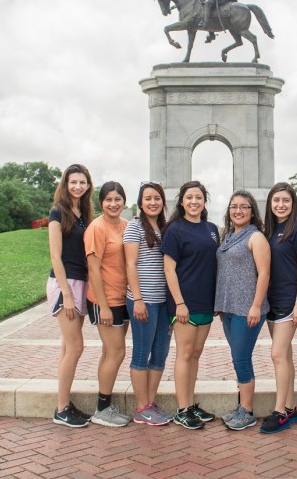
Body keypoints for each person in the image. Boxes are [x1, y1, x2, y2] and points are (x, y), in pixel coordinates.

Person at [161, 181, 220, 429]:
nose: (194, 201)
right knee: (184, 354)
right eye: (189, 197)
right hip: (184, 303)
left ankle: (191, 403)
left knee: (195, 354)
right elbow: (169, 268)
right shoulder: (175, 230)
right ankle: (182, 409)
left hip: (206, 302)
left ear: (204, 201)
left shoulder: (212, 229)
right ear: (182, 201)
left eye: (198, 197)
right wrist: (179, 303)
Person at [215, 190, 270, 431]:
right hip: (228, 307)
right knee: (237, 358)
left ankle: (247, 411)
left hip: (247, 308)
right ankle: (241, 407)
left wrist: (256, 306)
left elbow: (265, 273)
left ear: (252, 211)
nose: (238, 210)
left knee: (241, 358)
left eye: (244, 207)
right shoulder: (227, 236)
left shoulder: (255, 237)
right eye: (234, 206)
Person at [259, 182, 297, 434]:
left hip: (290, 300)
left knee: (277, 355)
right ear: (270, 203)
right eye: (276, 200)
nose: (281, 205)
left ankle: (279, 411)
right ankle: (290, 409)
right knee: (286, 356)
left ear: (293, 204)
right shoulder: (267, 230)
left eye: (286, 201)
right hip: (272, 300)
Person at [47, 164, 95, 428]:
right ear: (65, 184)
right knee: (76, 346)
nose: (77, 186)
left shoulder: (84, 214)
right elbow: (55, 255)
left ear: (88, 185)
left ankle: (64, 403)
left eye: (82, 182)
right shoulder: (58, 212)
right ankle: (61, 409)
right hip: (64, 284)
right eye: (73, 182)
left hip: (82, 282)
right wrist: (66, 294)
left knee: (68, 346)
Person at [84, 181, 132, 427]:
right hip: (105, 301)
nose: (113, 204)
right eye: (108, 200)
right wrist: (102, 305)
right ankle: (102, 408)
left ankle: (104, 404)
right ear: (101, 203)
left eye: (117, 199)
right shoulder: (96, 228)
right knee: (117, 352)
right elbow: (93, 269)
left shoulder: (126, 225)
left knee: (109, 352)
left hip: (123, 299)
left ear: (124, 201)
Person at [124, 181, 172, 426]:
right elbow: (130, 264)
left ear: (163, 201)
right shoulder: (134, 227)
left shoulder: (165, 227)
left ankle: (150, 403)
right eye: (147, 198)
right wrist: (138, 299)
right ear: (140, 203)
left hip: (165, 301)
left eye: (156, 198)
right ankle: (141, 408)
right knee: (142, 354)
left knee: (160, 353)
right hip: (143, 301)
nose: (152, 202)